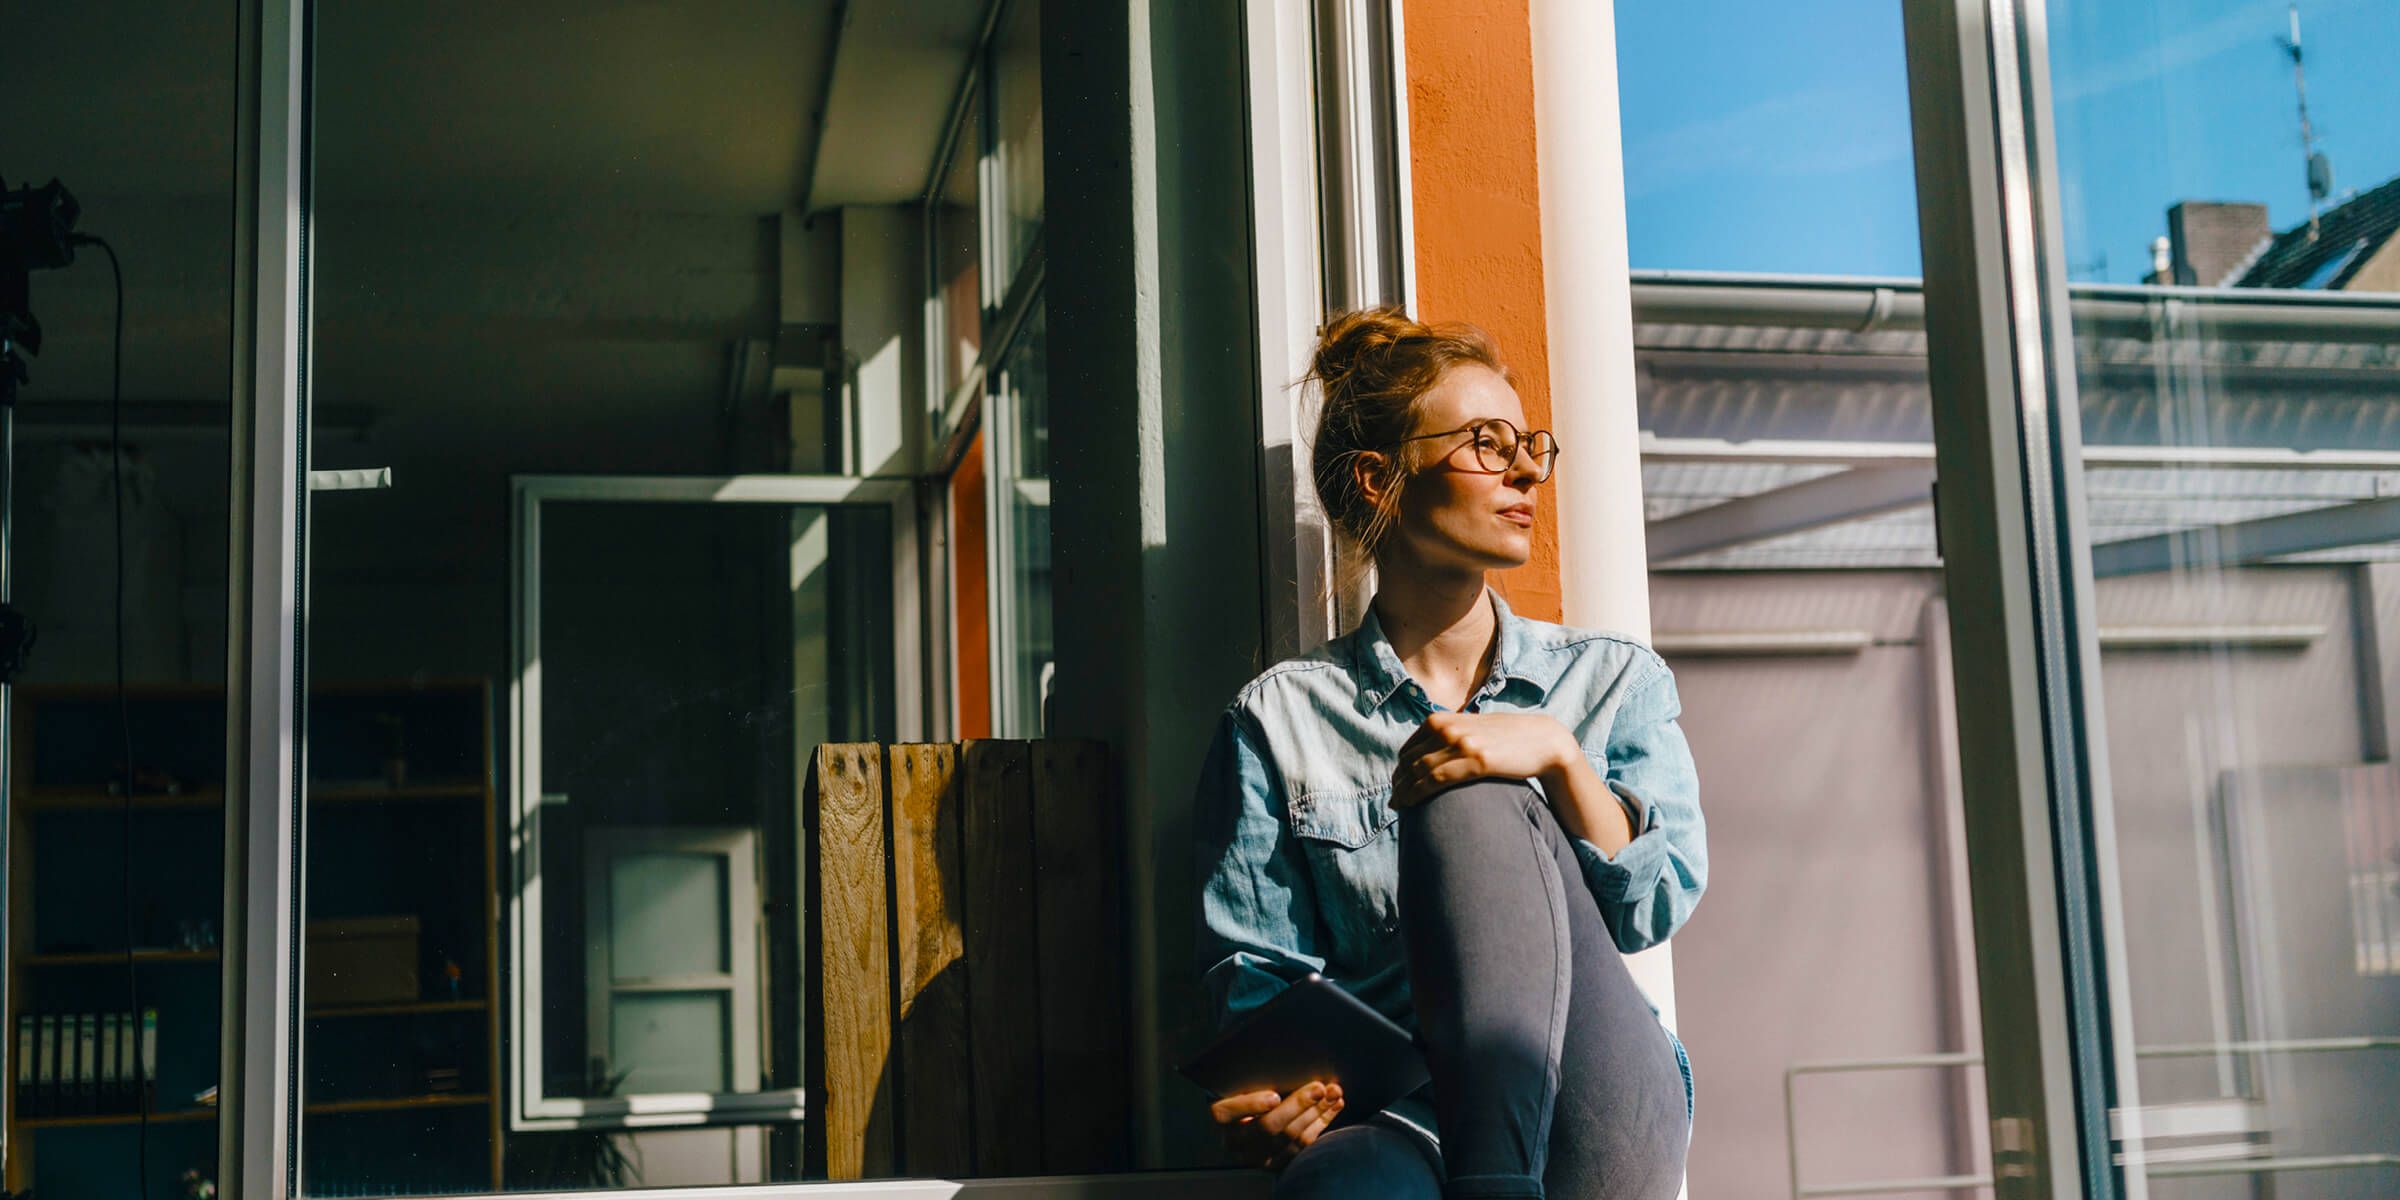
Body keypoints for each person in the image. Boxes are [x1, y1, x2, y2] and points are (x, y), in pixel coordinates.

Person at [1193, 307, 1705, 1200]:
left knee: (1467, 793)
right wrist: (1279, 1102)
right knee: (1335, 1187)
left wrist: (1555, 756)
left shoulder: (1612, 681)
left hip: (1593, 1099)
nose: (1523, 471)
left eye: (1529, 446)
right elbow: (1260, 983)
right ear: (1379, 474)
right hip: (1399, 1114)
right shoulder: (1278, 719)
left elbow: (1651, 907)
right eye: (1485, 442)